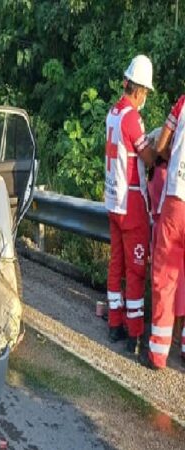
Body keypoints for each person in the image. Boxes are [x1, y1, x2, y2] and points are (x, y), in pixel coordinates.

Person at [104, 55, 156, 353]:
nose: (145, 96)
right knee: (135, 269)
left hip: (113, 200)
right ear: (139, 89)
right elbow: (147, 157)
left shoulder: (113, 113)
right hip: (131, 202)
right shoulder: (132, 118)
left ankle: (114, 323)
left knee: (116, 264)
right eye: (146, 91)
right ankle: (134, 332)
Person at [141, 93, 185, 369]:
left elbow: (160, 144)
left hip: (177, 200)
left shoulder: (182, 103)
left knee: (165, 278)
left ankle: (158, 353)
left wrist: (171, 156)